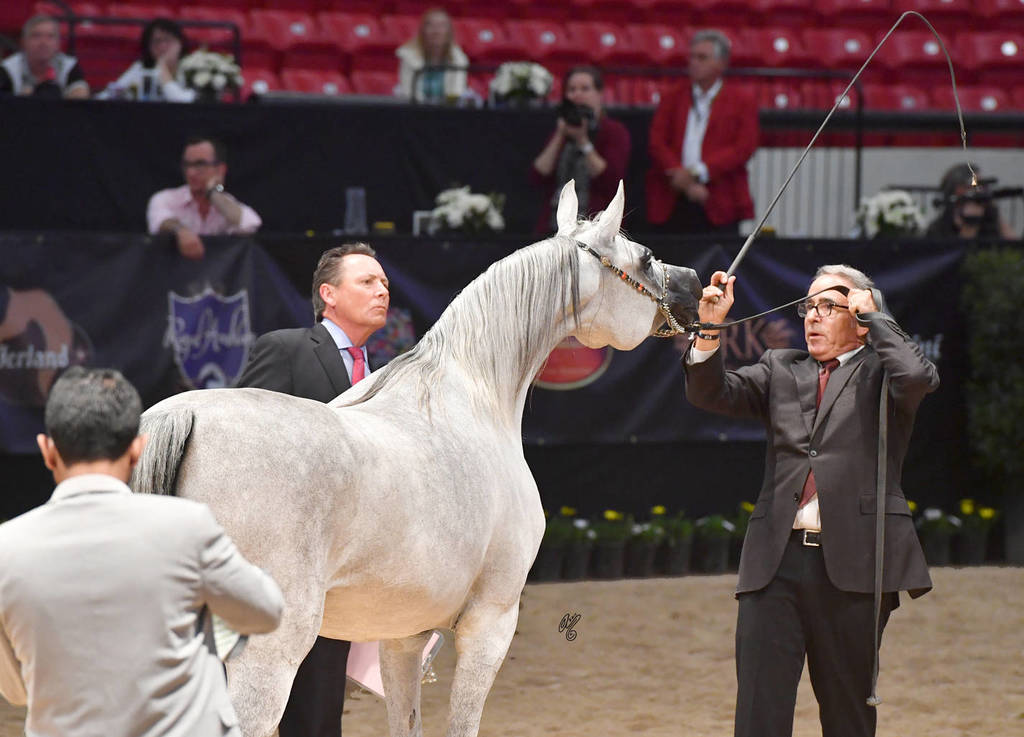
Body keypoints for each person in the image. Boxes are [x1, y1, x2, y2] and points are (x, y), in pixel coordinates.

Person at [684, 264, 937, 737]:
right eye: (808, 306)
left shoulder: (885, 371)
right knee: (759, 715)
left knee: (848, 718)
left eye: (829, 306)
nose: (812, 317)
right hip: (774, 563)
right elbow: (711, 392)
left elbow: (918, 377)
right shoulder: (781, 367)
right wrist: (709, 330)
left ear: (859, 314)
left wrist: (875, 318)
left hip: (856, 566)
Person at [0, 366, 283, 737]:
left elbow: (18, 690)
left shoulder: (6, 548)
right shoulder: (188, 527)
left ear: (48, 451)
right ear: (137, 449)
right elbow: (265, 613)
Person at [236, 242, 390, 737]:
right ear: (329, 293)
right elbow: (244, 440)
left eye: (384, 282)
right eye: (367, 281)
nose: (381, 290)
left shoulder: (389, 375)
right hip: (284, 565)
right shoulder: (286, 348)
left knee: (321, 716)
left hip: (347, 571)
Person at [646, 29, 758, 234]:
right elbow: (657, 141)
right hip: (672, 196)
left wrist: (697, 173)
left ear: (722, 63)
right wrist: (680, 176)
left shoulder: (742, 100)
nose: (694, 62)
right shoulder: (673, 96)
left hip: (720, 198)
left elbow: (744, 147)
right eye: (692, 57)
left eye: (702, 57)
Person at [530, 65, 631, 233]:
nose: (577, 94)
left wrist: (583, 141)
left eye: (585, 88)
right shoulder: (560, 132)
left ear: (600, 94)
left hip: (596, 227)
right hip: (555, 226)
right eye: (571, 89)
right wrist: (560, 136)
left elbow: (611, 181)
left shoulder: (614, 131)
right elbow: (538, 175)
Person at [146, 135, 262, 260]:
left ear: (220, 170)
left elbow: (251, 224)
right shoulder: (165, 198)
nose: (191, 173)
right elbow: (158, 222)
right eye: (187, 165)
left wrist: (214, 192)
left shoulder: (224, 202)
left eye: (199, 164)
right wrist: (180, 231)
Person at [99, 18, 196, 102]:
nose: (163, 46)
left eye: (168, 40)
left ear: (180, 43)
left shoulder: (192, 69)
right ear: (148, 46)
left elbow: (181, 100)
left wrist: (162, 65)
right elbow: (107, 95)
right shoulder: (140, 68)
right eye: (157, 41)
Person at [0, 15, 89, 99]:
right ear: (23, 42)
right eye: (36, 36)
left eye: (50, 36)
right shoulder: (8, 69)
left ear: (58, 43)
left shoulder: (69, 67)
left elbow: (81, 95)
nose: (43, 43)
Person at [925, 162, 1016, 240]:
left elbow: (1013, 245)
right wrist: (971, 223)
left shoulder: (989, 214)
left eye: (982, 186)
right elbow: (955, 254)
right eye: (974, 185)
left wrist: (993, 209)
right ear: (957, 188)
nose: (979, 190)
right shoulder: (943, 224)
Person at [395, 7, 468, 103]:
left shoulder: (458, 59)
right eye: (430, 25)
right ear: (422, 31)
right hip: (416, 112)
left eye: (442, 26)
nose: (436, 31)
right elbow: (409, 94)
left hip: (447, 113)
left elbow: (455, 94)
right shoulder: (408, 56)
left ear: (449, 31)